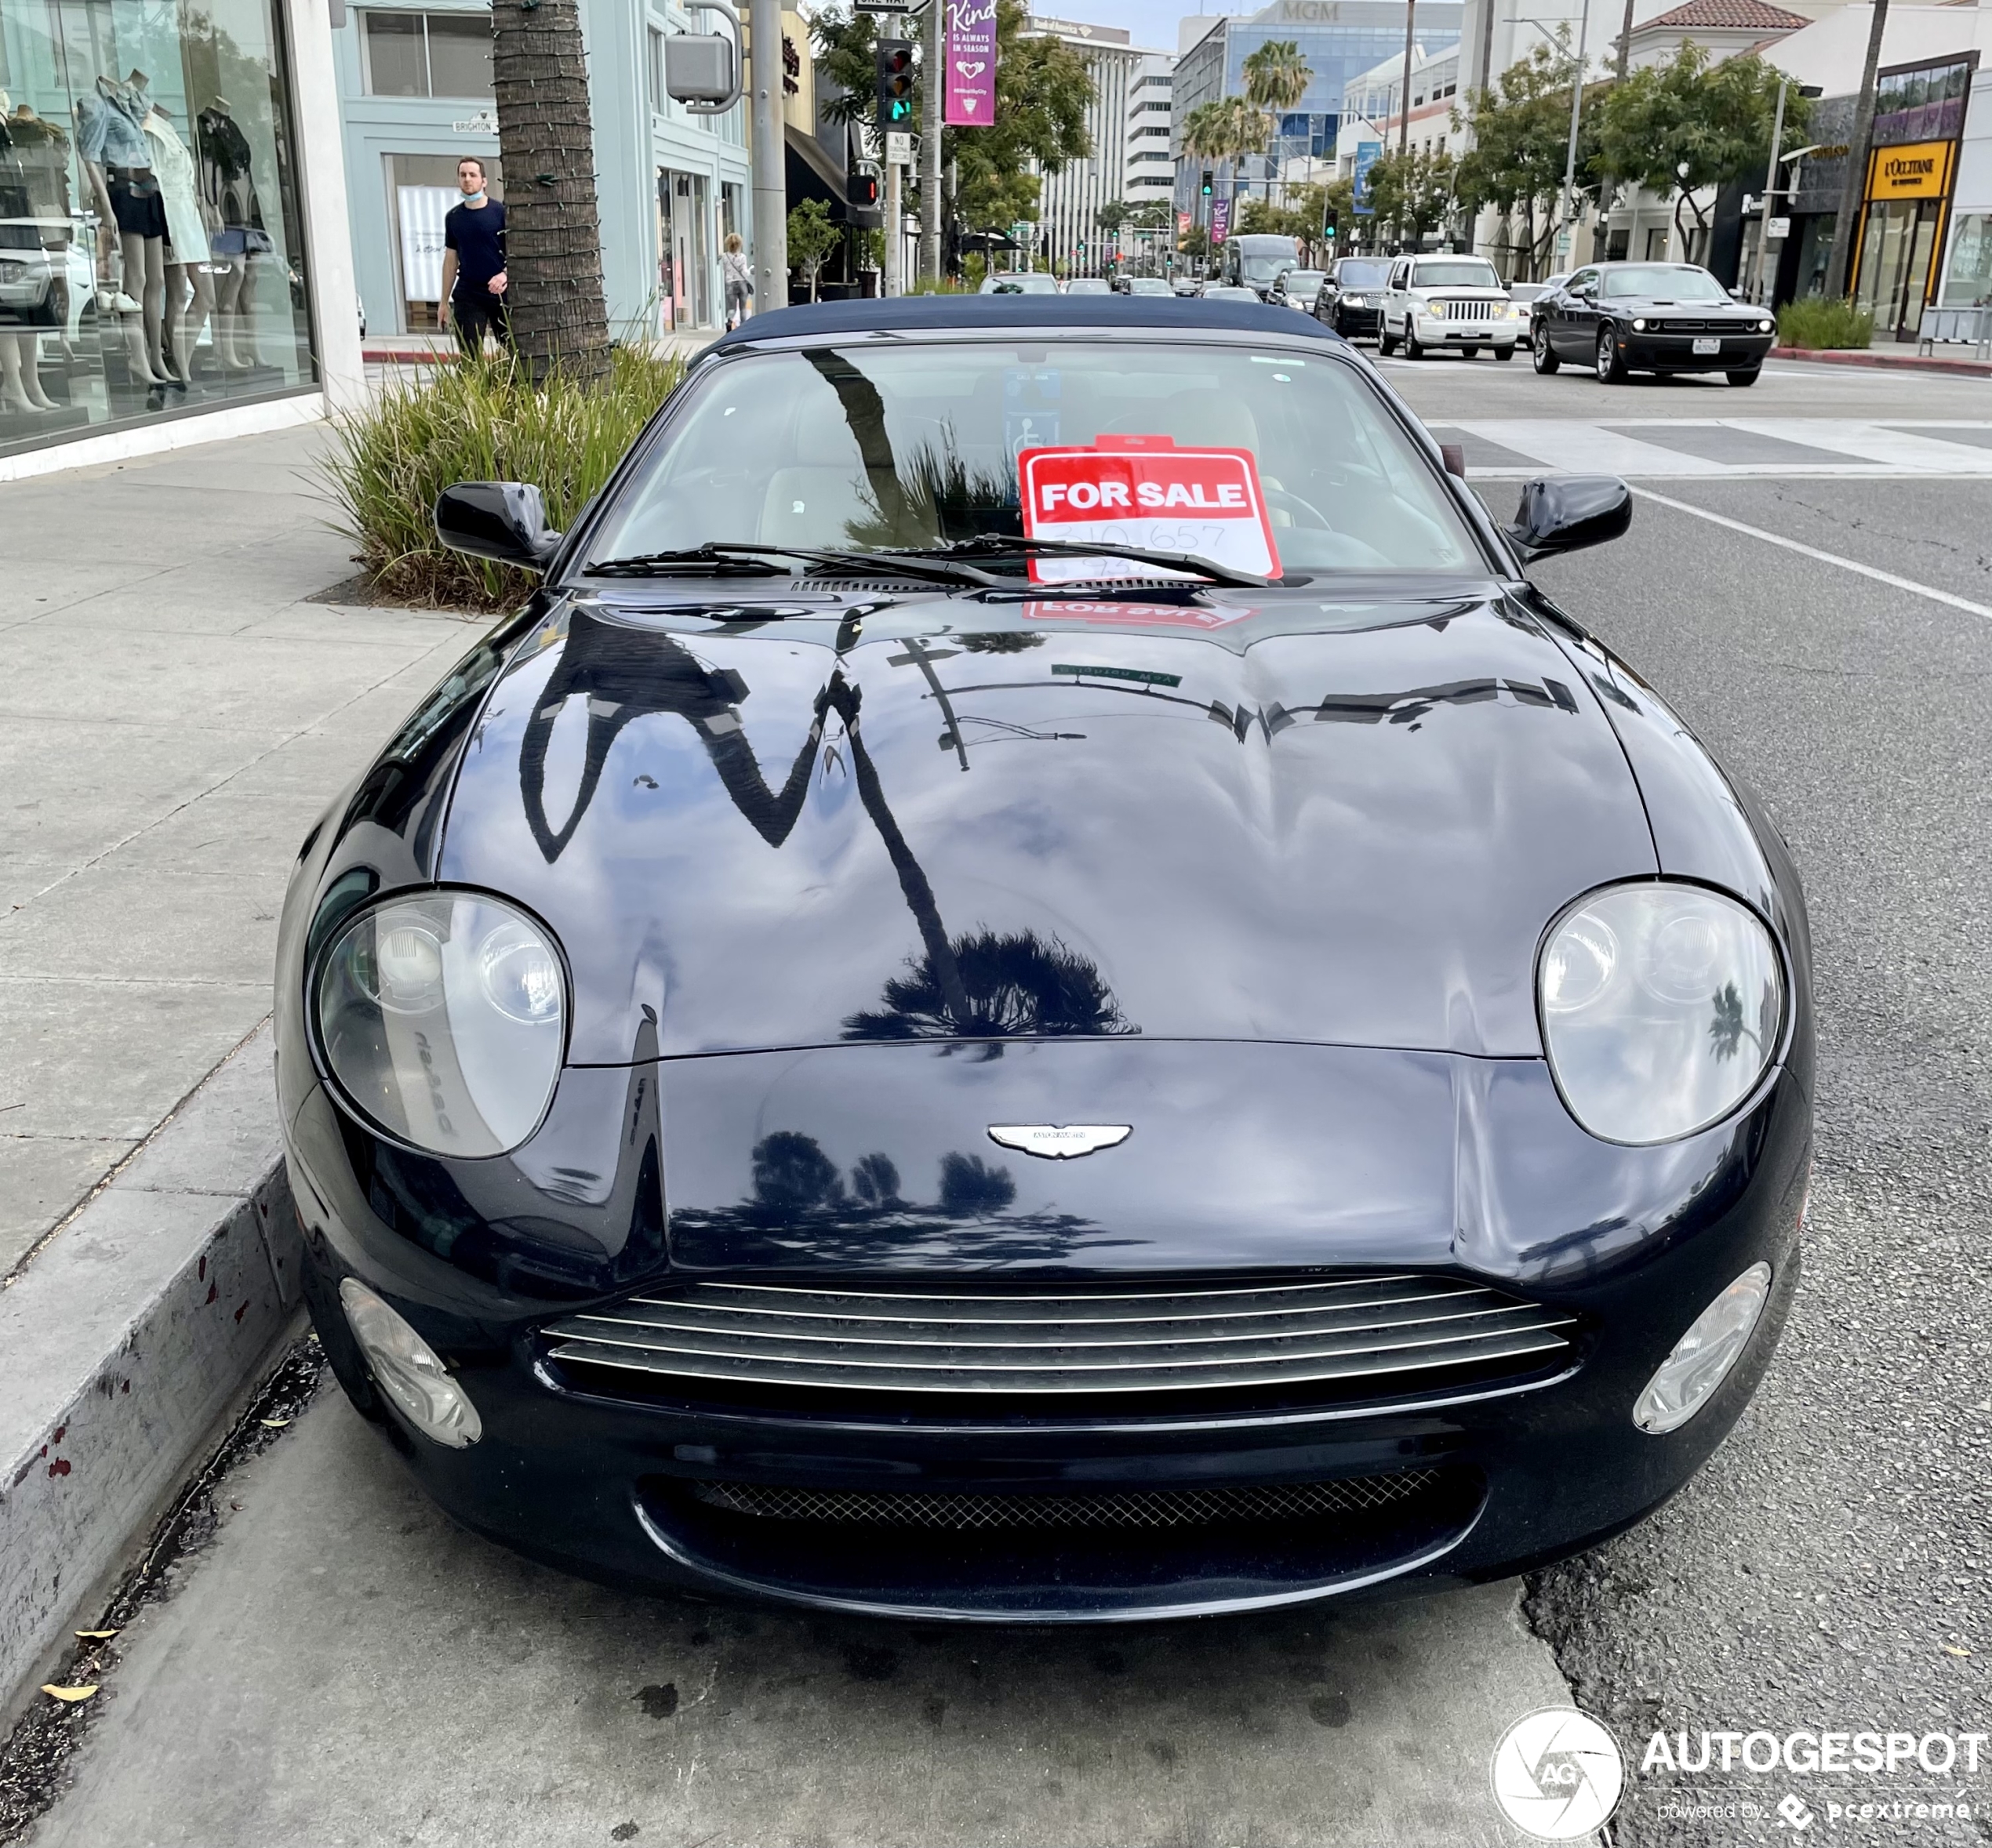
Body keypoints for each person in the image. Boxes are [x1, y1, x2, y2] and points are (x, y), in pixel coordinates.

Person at [438, 156, 507, 357]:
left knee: (511, 349)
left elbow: (516, 251)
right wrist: (443, 302)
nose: (467, 179)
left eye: (473, 175)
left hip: (500, 291)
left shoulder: (500, 212)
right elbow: (451, 260)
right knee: (469, 354)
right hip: (469, 292)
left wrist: (505, 274)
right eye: (463, 175)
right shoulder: (454, 218)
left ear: (484, 181)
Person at [722, 231, 752, 332]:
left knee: (732, 308)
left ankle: (729, 323)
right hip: (742, 283)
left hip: (730, 283)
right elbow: (745, 272)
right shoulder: (742, 257)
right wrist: (751, 270)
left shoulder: (725, 257)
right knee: (743, 308)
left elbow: (725, 270)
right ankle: (743, 328)